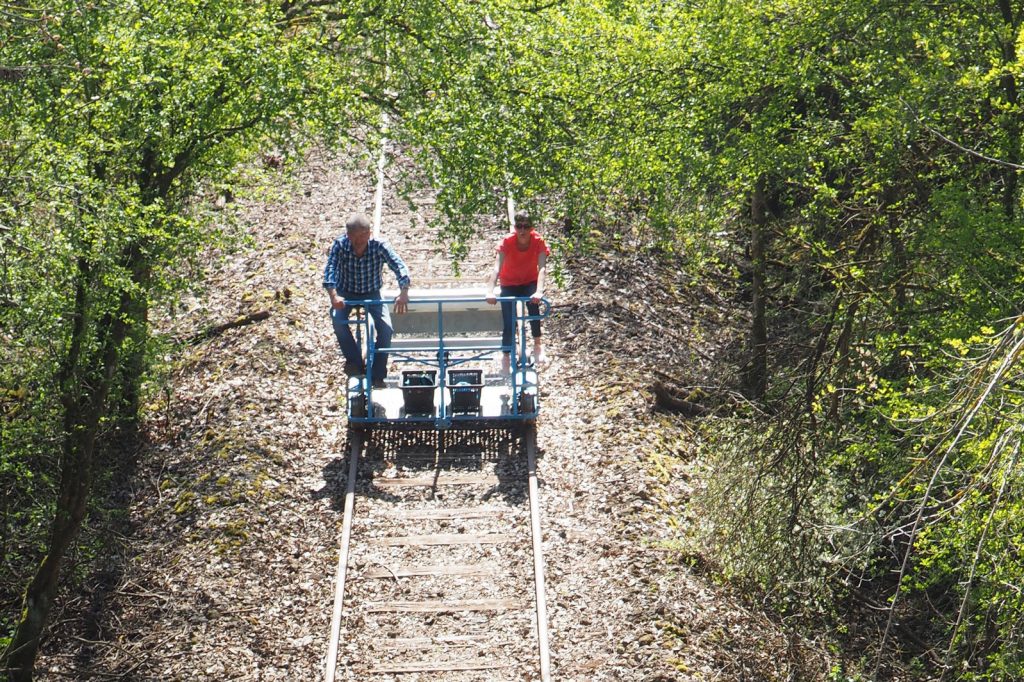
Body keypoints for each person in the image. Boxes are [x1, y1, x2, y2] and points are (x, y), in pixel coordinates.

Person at [323, 213, 410, 388]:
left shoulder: (379, 246)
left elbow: (398, 265)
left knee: (386, 329)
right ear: (348, 235)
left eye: (363, 236)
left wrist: (404, 291)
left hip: (372, 292)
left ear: (369, 234)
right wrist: (333, 296)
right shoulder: (340, 246)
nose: (359, 241)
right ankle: (355, 363)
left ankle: (378, 374)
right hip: (346, 292)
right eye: (355, 237)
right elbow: (330, 269)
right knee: (338, 320)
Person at [486, 210, 550, 373]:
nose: (522, 231)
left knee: (534, 306)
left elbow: (542, 268)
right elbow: (496, 268)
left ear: (531, 228)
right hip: (509, 283)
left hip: (529, 281)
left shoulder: (538, 241)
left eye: (526, 227)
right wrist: (490, 291)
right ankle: (506, 355)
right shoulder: (507, 241)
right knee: (509, 320)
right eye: (518, 226)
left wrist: (539, 290)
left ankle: (537, 344)